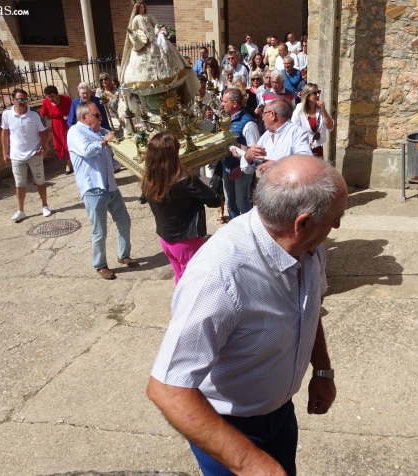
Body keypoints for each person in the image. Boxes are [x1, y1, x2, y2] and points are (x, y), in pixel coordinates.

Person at [147, 155, 347, 476]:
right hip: (226, 427)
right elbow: (168, 389)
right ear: (303, 223)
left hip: (280, 414)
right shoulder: (218, 277)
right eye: (335, 218)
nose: (337, 226)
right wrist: (250, 463)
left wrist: (322, 370)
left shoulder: (309, 246)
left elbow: (308, 306)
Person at [67, 102, 138, 280]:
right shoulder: (75, 132)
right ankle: (100, 265)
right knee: (99, 230)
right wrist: (105, 141)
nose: (100, 118)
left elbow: (117, 138)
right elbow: (86, 150)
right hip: (93, 188)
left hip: (110, 186)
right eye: (96, 115)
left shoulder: (98, 131)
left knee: (124, 222)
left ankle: (124, 255)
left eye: (100, 115)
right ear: (85, 117)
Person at [142, 131, 222, 284]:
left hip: (165, 239)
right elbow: (214, 200)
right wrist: (207, 182)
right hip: (186, 241)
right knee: (194, 284)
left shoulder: (148, 179)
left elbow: (143, 198)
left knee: (180, 278)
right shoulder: (186, 179)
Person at [119, 1, 198, 104]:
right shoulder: (136, 19)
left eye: (143, 7)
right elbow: (133, 31)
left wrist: (157, 30)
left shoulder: (149, 16)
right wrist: (134, 35)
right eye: (140, 8)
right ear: (137, 9)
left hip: (154, 39)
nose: (142, 9)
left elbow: (156, 24)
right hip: (143, 44)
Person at [1, 88, 52, 222]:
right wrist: (4, 152)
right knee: (19, 183)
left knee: (40, 181)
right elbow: (5, 133)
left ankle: (45, 206)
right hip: (16, 155)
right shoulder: (6, 114)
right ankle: (20, 210)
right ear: (13, 100)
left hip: (33, 153)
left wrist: (42, 147)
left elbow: (44, 132)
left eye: (24, 99)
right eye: (19, 99)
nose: (22, 102)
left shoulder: (34, 115)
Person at [220, 88, 260, 219]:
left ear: (235, 103)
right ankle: (235, 232)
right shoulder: (226, 118)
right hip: (226, 167)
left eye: (224, 101)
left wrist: (240, 169)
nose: (222, 104)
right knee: (230, 203)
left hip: (241, 170)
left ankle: (252, 231)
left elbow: (255, 153)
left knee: (241, 203)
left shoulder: (248, 123)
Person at [245, 99, 312, 174]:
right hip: (267, 184)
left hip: (287, 184)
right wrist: (248, 156)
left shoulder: (297, 132)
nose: (262, 118)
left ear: (272, 115)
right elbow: (249, 169)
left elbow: (305, 161)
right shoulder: (266, 135)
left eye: (264, 114)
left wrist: (277, 165)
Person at [292, 84, 334, 158]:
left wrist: (324, 110)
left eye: (318, 92)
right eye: (314, 93)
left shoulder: (320, 110)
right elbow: (293, 130)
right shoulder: (299, 110)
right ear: (307, 96)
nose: (318, 95)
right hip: (304, 149)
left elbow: (330, 127)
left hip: (317, 148)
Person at [40, 85, 72, 174]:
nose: (50, 98)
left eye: (52, 96)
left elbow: (73, 110)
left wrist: (69, 116)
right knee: (59, 145)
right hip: (56, 125)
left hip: (67, 124)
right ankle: (68, 161)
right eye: (48, 96)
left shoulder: (65, 99)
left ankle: (69, 164)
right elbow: (43, 114)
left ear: (57, 94)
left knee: (67, 145)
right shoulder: (46, 102)